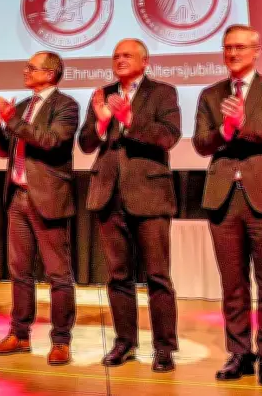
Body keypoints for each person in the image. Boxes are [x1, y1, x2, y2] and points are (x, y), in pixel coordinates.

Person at [193, 24, 262, 387]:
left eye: (240, 47)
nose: (233, 53)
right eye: (228, 47)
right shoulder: (211, 94)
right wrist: (223, 132)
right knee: (232, 283)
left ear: (256, 51)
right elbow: (200, 143)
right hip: (224, 197)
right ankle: (239, 352)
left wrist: (245, 124)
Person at [78, 39, 180, 372]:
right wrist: (101, 122)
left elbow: (169, 136)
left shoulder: (163, 92)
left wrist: (130, 119)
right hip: (109, 194)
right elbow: (85, 143)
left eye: (127, 55)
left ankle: (164, 348)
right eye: (116, 56)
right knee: (118, 275)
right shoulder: (102, 93)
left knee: (157, 276)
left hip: (149, 194)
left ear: (145, 61)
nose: (120, 60)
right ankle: (125, 342)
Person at [0, 51, 78, 365]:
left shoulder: (66, 106)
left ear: (49, 74)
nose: (25, 71)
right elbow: (5, 150)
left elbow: (50, 141)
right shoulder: (22, 106)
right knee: (19, 272)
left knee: (58, 274)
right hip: (18, 197)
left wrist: (12, 121)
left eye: (31, 68)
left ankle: (61, 340)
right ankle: (19, 335)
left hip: (48, 198)